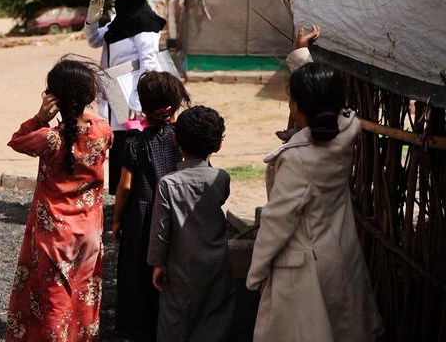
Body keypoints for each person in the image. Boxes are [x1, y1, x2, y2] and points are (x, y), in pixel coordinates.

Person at [246, 25, 382, 341]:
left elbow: (277, 222)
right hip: (339, 252)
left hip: (305, 266)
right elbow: (324, 96)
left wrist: (257, 273)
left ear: (297, 107)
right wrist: (301, 55)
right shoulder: (348, 129)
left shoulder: (297, 159)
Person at [5, 57, 113, 341]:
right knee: (85, 295)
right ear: (89, 96)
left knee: (55, 300)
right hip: (90, 231)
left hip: (55, 235)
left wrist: (40, 116)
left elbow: (16, 140)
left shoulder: (49, 138)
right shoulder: (103, 130)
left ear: (54, 98)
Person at [112, 71, 190, 340]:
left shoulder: (134, 143)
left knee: (137, 272)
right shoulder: (183, 137)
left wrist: (117, 221)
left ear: (142, 104)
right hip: (178, 215)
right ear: (176, 102)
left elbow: (125, 187)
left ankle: (138, 328)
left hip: (141, 215)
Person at [147, 105, 234, 342]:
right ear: (217, 145)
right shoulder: (221, 178)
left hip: (180, 265)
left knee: (175, 319)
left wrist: (157, 263)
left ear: (176, 141)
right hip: (217, 263)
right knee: (215, 317)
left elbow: (161, 231)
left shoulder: (168, 184)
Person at [84, 0, 165, 194]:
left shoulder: (145, 23)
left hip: (134, 99)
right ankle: (122, 199)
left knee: (136, 148)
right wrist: (92, 19)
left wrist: (140, 105)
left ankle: (138, 201)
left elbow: (149, 65)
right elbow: (93, 40)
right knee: (120, 147)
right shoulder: (118, 23)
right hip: (116, 95)